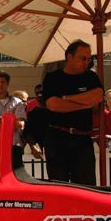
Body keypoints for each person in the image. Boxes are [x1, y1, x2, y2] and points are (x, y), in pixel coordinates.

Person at [42, 39, 104, 185]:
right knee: (59, 189)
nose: (86, 62)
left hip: (82, 139)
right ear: (69, 57)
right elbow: (54, 105)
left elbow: (98, 96)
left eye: (89, 59)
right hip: (57, 138)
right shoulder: (53, 78)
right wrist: (84, 104)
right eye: (82, 58)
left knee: (86, 189)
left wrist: (67, 98)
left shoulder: (91, 76)